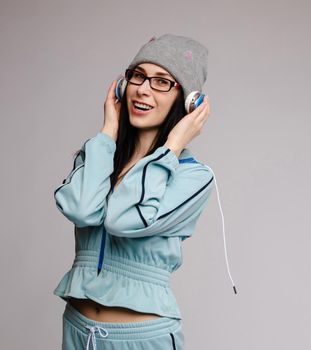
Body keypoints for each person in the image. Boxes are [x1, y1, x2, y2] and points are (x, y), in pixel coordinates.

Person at [53, 34, 213, 350]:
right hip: (78, 328)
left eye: (162, 82)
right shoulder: (98, 155)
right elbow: (83, 210)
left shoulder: (193, 177)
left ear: (188, 101)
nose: (143, 89)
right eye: (138, 76)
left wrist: (173, 146)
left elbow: (123, 220)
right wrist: (107, 132)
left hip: (141, 340)